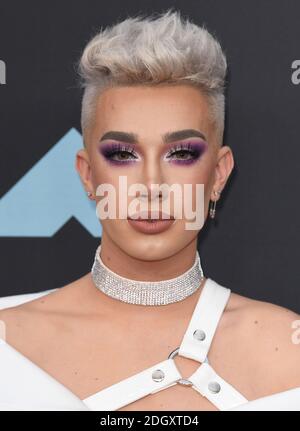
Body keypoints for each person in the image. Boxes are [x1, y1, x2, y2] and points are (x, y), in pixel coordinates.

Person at [0, 8, 299, 411]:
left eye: (181, 153)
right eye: (123, 154)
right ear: (87, 175)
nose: (151, 185)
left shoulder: (288, 351)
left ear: (219, 175)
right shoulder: (8, 344)